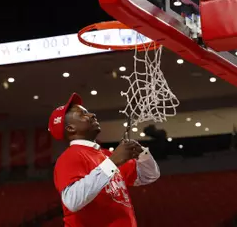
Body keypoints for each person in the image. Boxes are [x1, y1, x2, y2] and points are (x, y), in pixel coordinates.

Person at [48, 93, 160, 227]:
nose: (92, 115)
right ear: (71, 128)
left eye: (88, 112)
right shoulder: (69, 157)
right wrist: (112, 162)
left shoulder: (106, 155)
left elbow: (148, 176)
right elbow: (72, 201)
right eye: (83, 114)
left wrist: (143, 155)